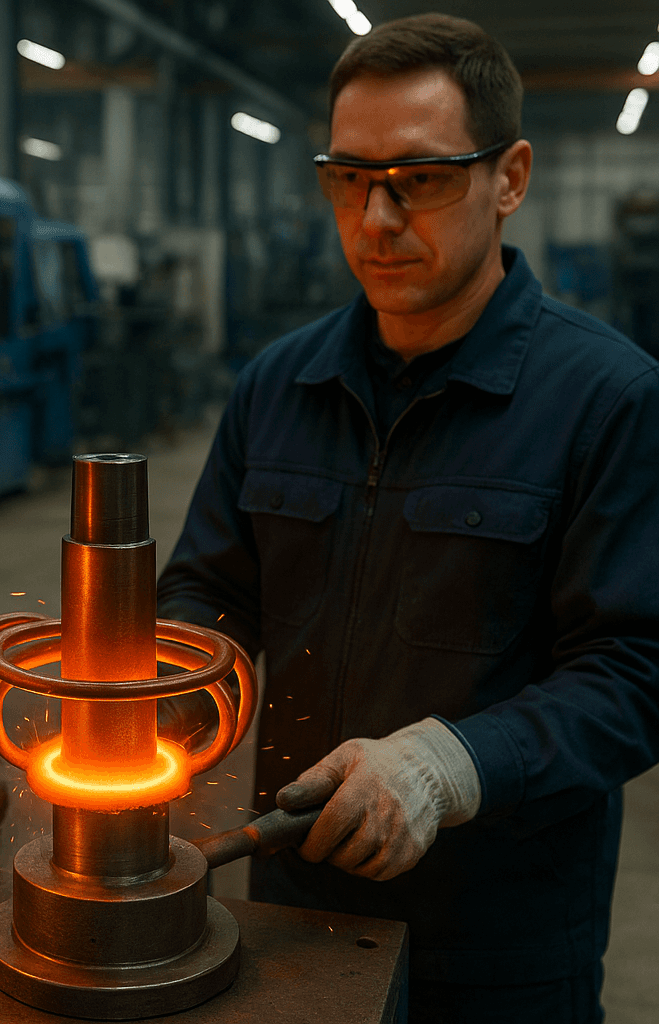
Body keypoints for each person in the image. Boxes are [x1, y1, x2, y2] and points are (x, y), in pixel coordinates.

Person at [156, 13, 659, 1024]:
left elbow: (637, 673)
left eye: (418, 180)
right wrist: (164, 684)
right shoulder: (278, 384)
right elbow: (213, 586)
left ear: (509, 177)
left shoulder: (608, 399)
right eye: (348, 176)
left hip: (500, 943)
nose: (375, 218)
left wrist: (451, 765)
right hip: (292, 909)